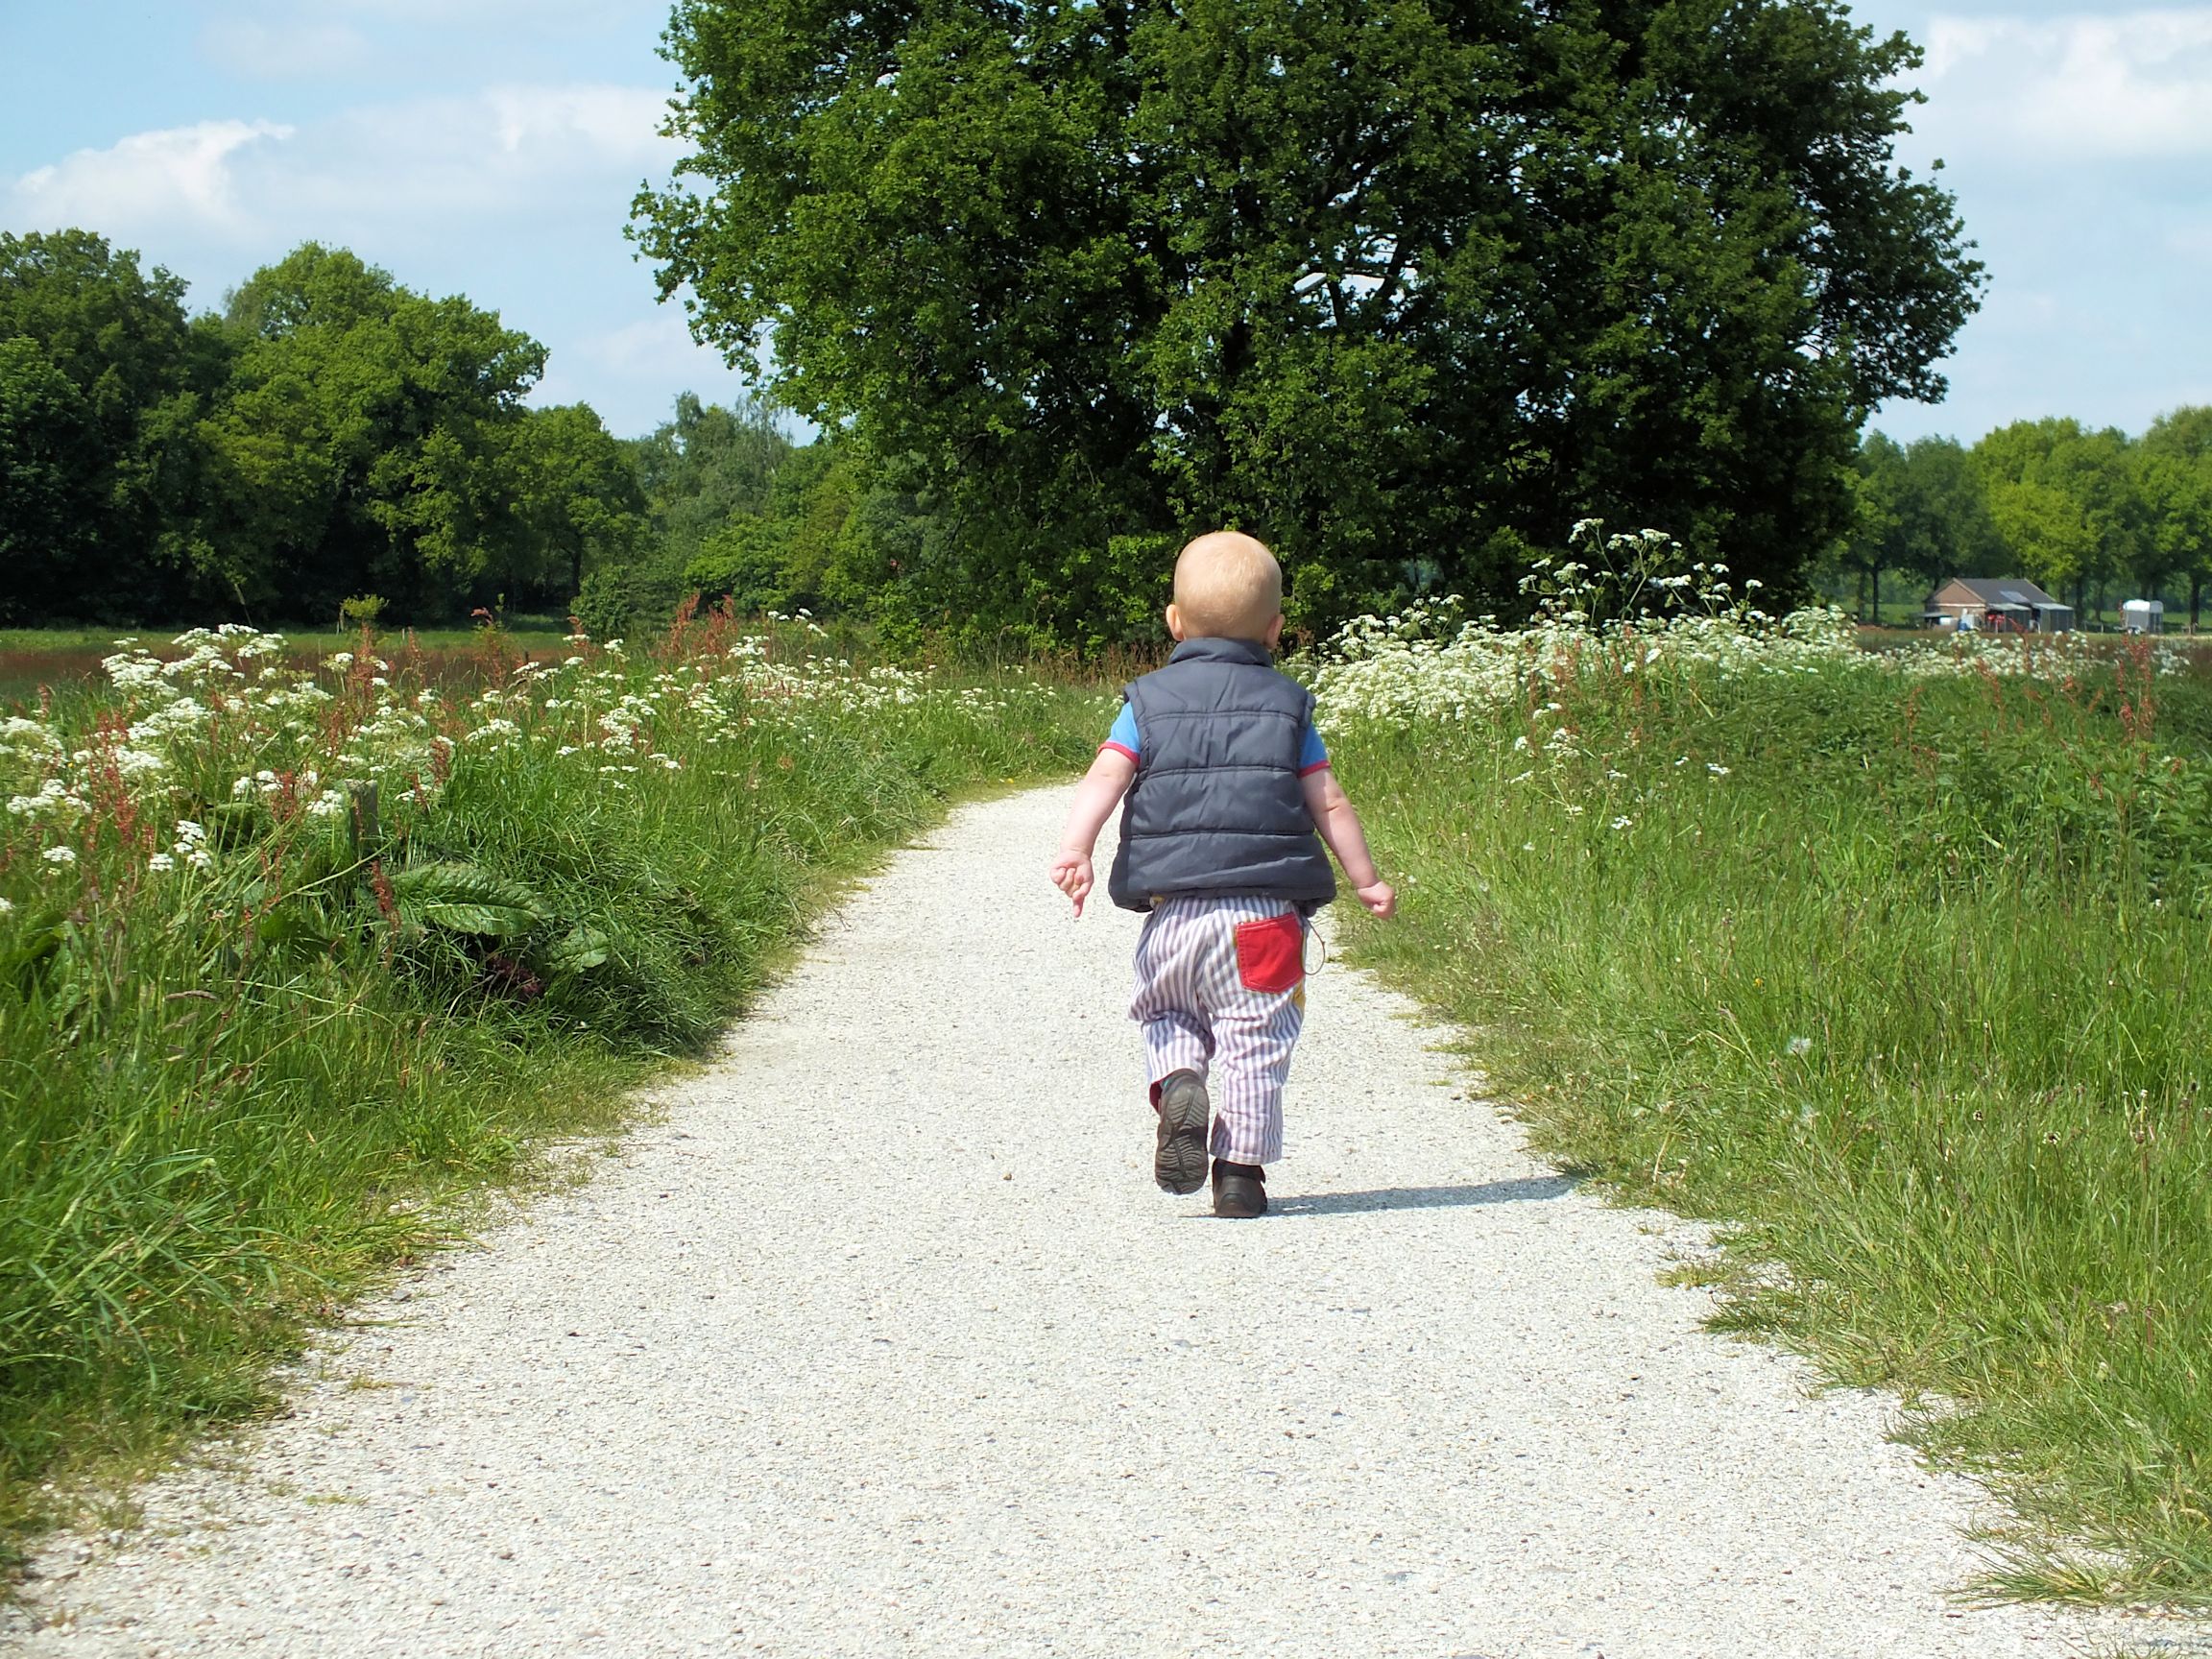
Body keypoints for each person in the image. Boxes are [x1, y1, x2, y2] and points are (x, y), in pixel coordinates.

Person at [1048, 531, 1397, 1218]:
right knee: (1255, 1041)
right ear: (1274, 630)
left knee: (1168, 1012)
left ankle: (1178, 1077)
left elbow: (1107, 775)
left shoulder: (1145, 702)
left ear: (1174, 622)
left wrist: (1076, 848)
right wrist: (1366, 879)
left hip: (1174, 912)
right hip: (1265, 920)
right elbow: (1328, 798)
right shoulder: (1288, 704)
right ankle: (1239, 1175)